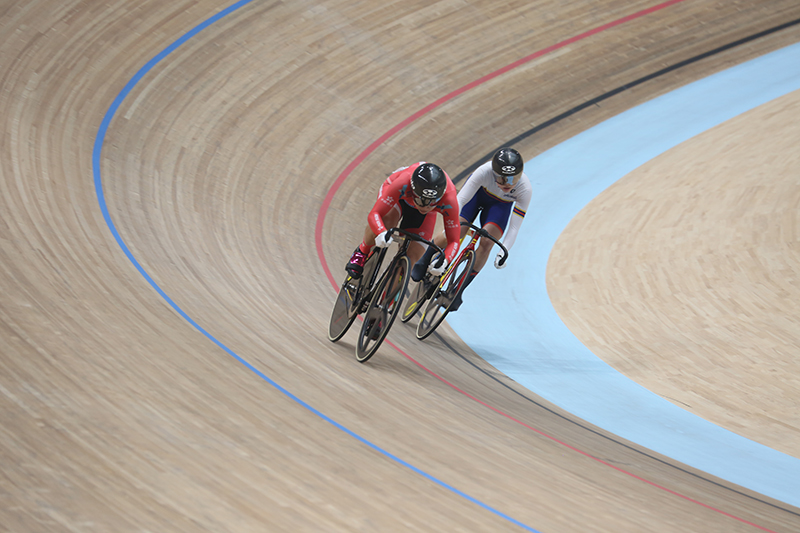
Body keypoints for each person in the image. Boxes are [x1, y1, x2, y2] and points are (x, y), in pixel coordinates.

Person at [411, 147, 532, 311]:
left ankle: (458, 290)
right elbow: (460, 201)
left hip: (499, 207)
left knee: (487, 242)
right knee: (458, 230)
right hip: (476, 196)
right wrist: (452, 226)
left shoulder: (525, 189)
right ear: (494, 173)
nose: (508, 184)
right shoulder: (483, 172)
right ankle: (425, 259)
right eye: (502, 179)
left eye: (513, 178)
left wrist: (503, 252)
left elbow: (514, 227)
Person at [345, 162, 462, 284]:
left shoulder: (449, 200)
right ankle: (362, 252)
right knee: (387, 222)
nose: (425, 207)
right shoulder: (402, 183)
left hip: (424, 213)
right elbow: (375, 213)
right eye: (421, 202)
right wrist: (381, 231)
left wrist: (445, 261)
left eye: (431, 203)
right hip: (399, 197)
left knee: (411, 258)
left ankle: (388, 294)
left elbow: (454, 240)